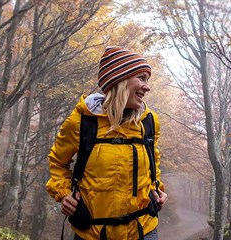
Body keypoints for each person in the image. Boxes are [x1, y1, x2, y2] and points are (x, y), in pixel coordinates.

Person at [46, 46, 168, 240]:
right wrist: (64, 193)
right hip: (92, 233)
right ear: (121, 79)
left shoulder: (149, 121)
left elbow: (153, 163)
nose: (147, 87)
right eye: (142, 78)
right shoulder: (82, 121)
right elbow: (57, 162)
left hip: (143, 231)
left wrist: (158, 189)